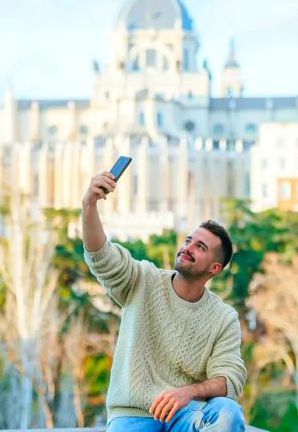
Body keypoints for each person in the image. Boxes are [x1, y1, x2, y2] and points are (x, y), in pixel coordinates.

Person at [82, 171, 247, 432]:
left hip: (187, 414)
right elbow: (101, 255)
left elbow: (230, 380)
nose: (188, 248)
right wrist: (89, 205)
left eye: (200, 247)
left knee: (228, 412)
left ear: (214, 268)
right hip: (133, 414)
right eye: (188, 241)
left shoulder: (223, 317)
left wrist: (188, 392)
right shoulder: (143, 280)